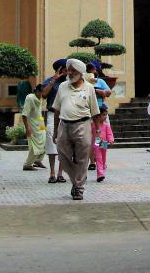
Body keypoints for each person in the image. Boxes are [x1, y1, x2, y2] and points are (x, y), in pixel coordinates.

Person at [52, 58, 100, 200]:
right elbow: (56, 110)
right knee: (62, 156)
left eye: (73, 70)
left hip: (83, 125)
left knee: (82, 158)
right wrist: (55, 131)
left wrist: (97, 131)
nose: (70, 72)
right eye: (69, 70)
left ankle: (78, 188)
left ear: (80, 73)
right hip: (64, 125)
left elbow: (95, 112)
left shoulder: (89, 88)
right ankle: (76, 181)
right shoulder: (62, 87)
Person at [40, 59, 68, 184]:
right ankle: (52, 173)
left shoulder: (70, 81)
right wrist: (54, 80)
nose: (68, 71)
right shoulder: (51, 80)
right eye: (66, 68)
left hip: (67, 115)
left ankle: (61, 173)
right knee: (52, 144)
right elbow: (44, 95)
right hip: (52, 114)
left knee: (64, 145)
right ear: (59, 69)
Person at [87, 61, 113, 171]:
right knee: (89, 138)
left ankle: (101, 160)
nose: (92, 72)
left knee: (101, 137)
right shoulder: (84, 81)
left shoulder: (100, 81)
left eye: (93, 70)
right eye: (89, 70)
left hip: (100, 111)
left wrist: (97, 91)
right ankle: (92, 161)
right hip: (88, 113)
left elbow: (108, 92)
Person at [21, 83, 47, 171]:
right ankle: (27, 164)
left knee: (45, 141)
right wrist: (27, 128)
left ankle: (38, 160)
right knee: (34, 146)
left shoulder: (40, 98)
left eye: (42, 92)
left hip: (40, 123)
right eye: (40, 92)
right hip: (32, 125)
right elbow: (24, 114)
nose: (41, 94)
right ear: (36, 91)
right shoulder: (30, 98)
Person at [91, 104, 114, 183]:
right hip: (97, 141)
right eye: (103, 115)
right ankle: (100, 174)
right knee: (99, 158)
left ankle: (102, 168)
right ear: (98, 116)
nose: (105, 117)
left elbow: (109, 134)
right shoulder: (93, 125)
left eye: (106, 115)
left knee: (103, 158)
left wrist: (111, 140)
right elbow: (89, 133)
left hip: (104, 143)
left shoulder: (106, 126)